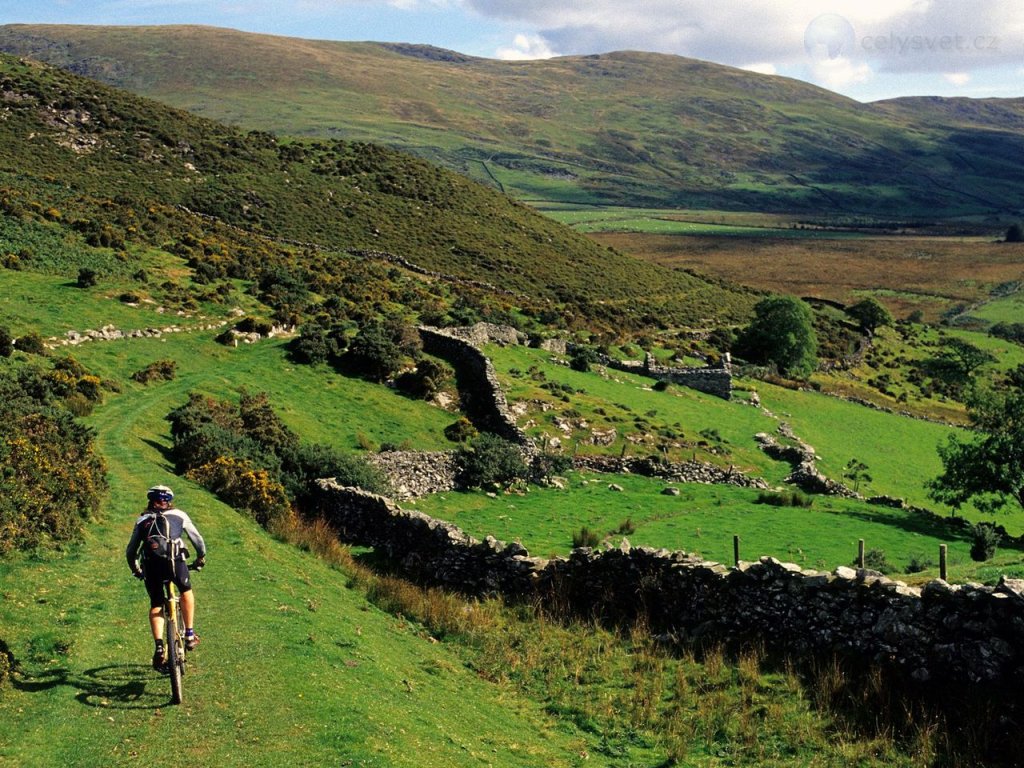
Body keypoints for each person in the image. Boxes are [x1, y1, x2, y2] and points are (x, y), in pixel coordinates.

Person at [126, 485, 207, 671]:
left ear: (150, 501)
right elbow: (198, 540)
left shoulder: (142, 520)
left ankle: (160, 647)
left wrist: (135, 569)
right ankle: (189, 634)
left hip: (151, 566)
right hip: (175, 562)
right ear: (169, 501)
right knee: (186, 591)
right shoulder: (180, 515)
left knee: (156, 604)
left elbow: (131, 551)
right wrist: (201, 557)